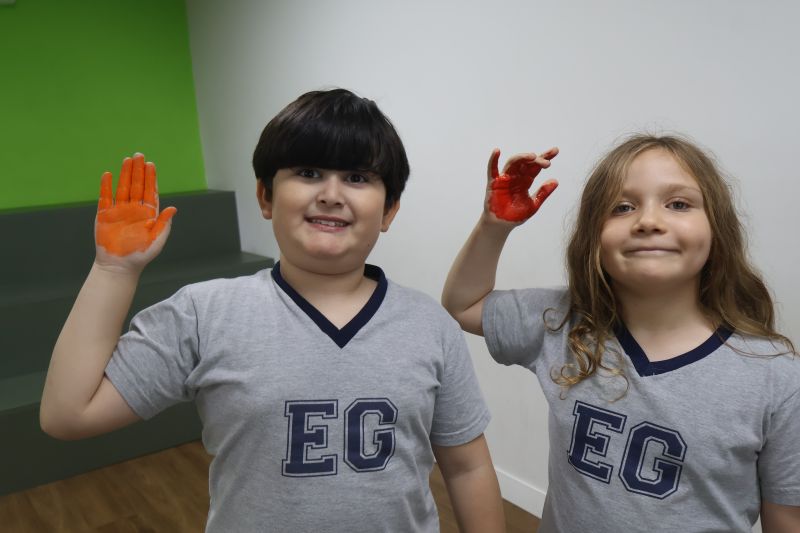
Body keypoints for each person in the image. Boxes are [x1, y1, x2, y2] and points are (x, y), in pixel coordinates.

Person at [40, 88, 504, 532]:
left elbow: (467, 468)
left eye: (358, 178)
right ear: (266, 196)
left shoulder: (430, 326)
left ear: (389, 210)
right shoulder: (204, 314)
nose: (331, 194)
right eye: (308, 172)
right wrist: (114, 270)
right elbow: (68, 415)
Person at [441, 134, 800, 532]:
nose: (648, 221)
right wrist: (494, 227)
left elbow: (786, 520)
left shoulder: (777, 379)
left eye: (678, 204)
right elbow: (463, 306)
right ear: (594, 236)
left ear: (718, 228)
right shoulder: (561, 321)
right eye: (622, 207)